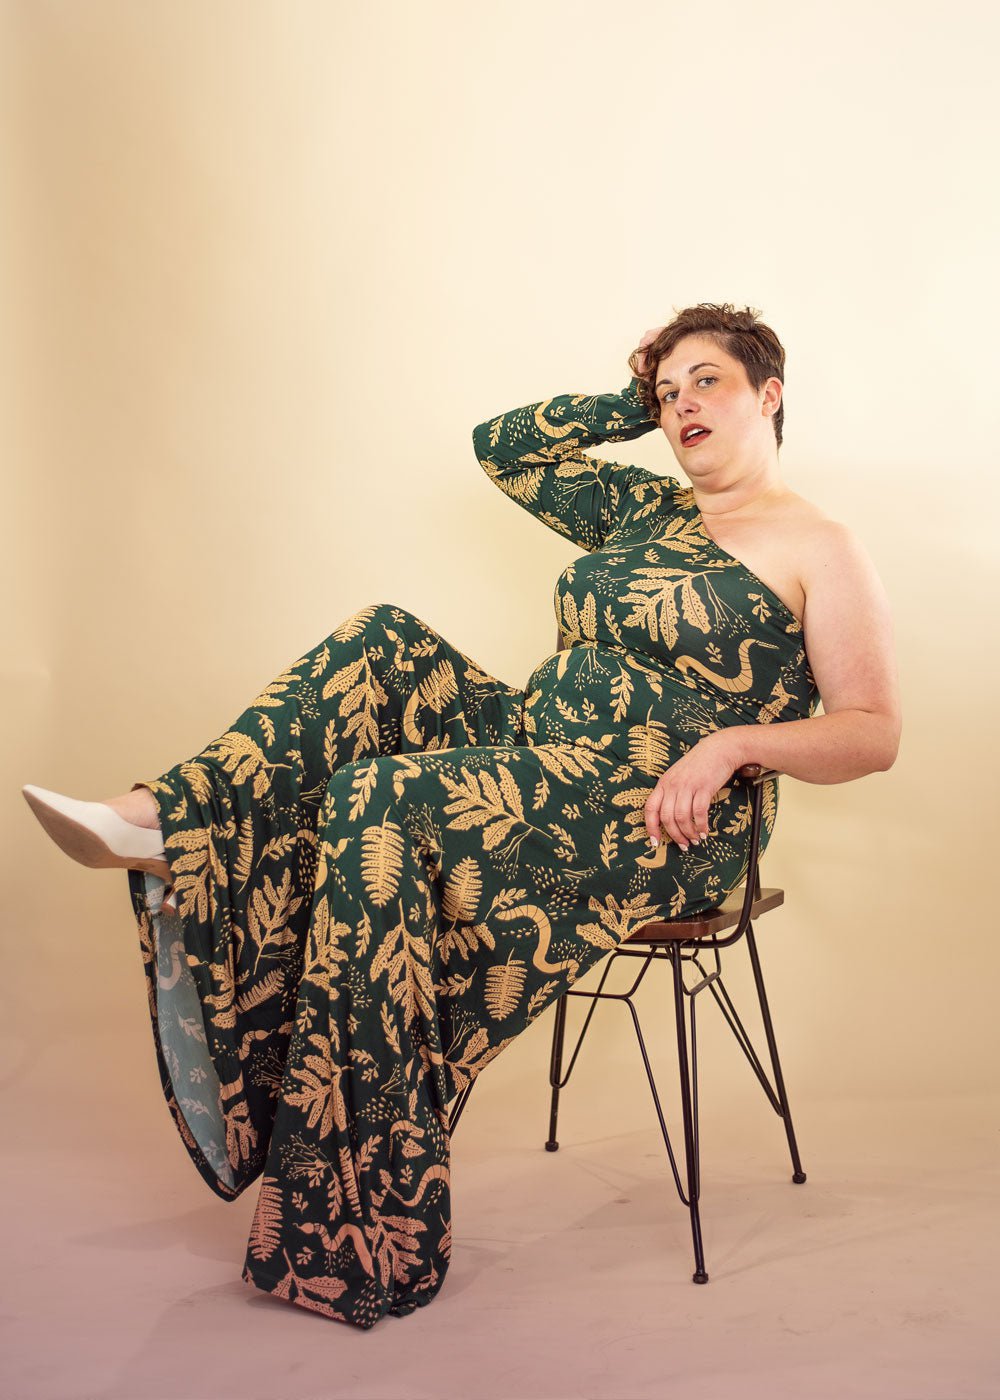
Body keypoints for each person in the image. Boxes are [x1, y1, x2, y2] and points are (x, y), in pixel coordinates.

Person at [22, 301, 901, 1330]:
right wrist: (626, 398)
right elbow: (503, 449)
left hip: (669, 814)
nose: (681, 404)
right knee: (383, 639)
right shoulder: (640, 509)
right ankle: (174, 819)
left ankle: (365, 1221)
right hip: (540, 750)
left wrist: (731, 745)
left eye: (706, 381)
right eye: (667, 392)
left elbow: (872, 730)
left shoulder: (819, 545)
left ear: (769, 393)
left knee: (379, 798)